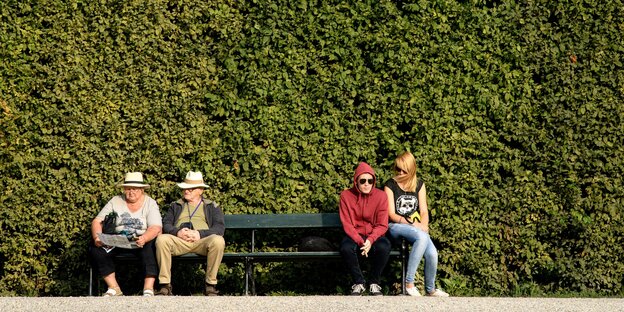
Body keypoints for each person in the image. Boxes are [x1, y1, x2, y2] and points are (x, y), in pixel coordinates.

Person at [384, 151, 449, 297]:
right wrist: (412, 223)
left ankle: (430, 289)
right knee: (421, 237)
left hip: (416, 227)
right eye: (397, 169)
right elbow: (391, 214)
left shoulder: (419, 184)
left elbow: (424, 210)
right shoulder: (390, 185)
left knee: (432, 253)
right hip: (395, 226)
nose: (400, 172)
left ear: (411, 169)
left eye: (404, 170)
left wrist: (424, 225)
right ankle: (409, 283)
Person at [89, 172, 162, 296]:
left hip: (141, 241)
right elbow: (97, 221)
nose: (131, 192)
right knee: (96, 249)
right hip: (118, 241)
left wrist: (144, 238)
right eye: (128, 189)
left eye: (134, 189)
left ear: (142, 190)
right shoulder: (115, 201)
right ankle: (114, 287)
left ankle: (148, 288)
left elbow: (156, 227)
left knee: (151, 246)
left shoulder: (150, 203)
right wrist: (97, 237)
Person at [155, 171, 225, 296]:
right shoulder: (175, 205)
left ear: (200, 190)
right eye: (185, 188)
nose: (186, 191)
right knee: (162, 239)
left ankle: (210, 285)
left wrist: (200, 234)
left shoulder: (211, 206)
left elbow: (219, 228)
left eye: (191, 189)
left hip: (202, 242)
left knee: (218, 241)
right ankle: (165, 285)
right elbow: (166, 225)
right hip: (179, 241)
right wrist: (178, 232)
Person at [339, 162, 391, 296]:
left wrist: (370, 240)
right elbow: (347, 224)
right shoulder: (346, 196)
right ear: (356, 181)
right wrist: (360, 241)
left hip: (374, 235)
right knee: (346, 248)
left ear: (374, 181)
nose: (366, 184)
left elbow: (382, 224)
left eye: (370, 180)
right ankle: (359, 283)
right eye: (362, 181)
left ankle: (374, 283)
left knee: (384, 246)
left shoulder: (381, 196)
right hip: (355, 234)